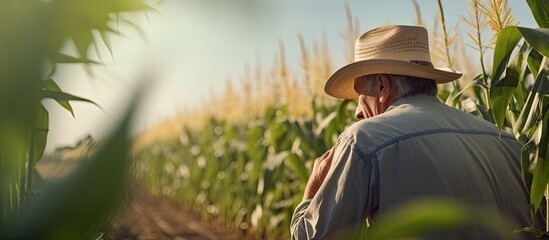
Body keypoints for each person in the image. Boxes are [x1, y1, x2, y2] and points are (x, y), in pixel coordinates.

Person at [290, 25, 545, 239]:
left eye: (360, 94)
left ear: (382, 85)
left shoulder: (363, 141)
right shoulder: (511, 143)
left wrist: (312, 189)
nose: (357, 111)